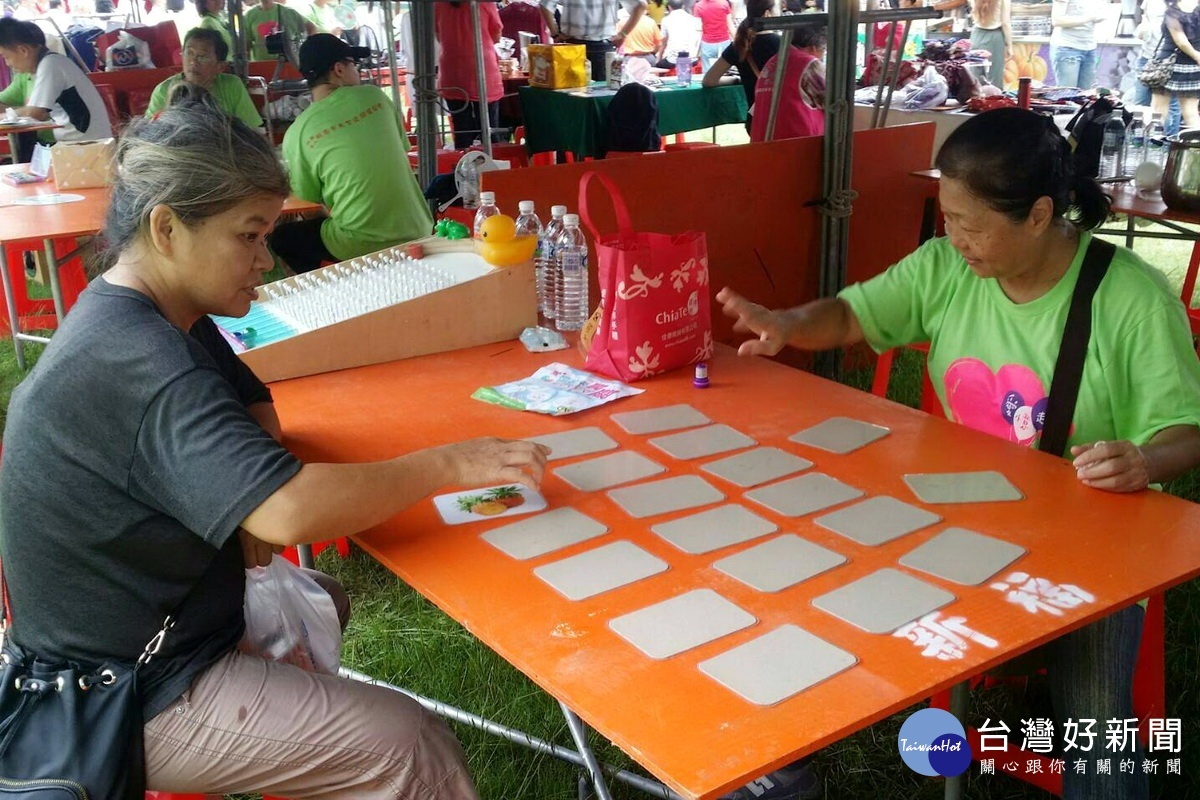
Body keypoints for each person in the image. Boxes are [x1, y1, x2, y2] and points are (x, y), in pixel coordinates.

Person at [0, 97, 550, 800]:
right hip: (123, 688)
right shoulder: (138, 358)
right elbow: (290, 513)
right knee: (406, 744)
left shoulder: (151, 311)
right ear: (167, 227)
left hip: (157, 633)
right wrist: (449, 464)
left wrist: (241, 502)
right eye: (249, 236)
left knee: (323, 598)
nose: (264, 259)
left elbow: (254, 400)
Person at [719, 108, 1200, 800]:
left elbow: (1188, 430)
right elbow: (854, 314)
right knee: (799, 567)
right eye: (947, 216)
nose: (955, 238)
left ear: (1039, 215)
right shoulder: (947, 267)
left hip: (1087, 540)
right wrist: (787, 324)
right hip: (949, 513)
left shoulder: (1130, 298)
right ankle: (775, 761)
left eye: (971, 223)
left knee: (1095, 714)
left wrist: (1145, 463)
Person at [270, 34, 432, 273]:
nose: (357, 71)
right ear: (339, 69)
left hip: (359, 242)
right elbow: (400, 150)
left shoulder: (298, 132)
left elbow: (309, 197)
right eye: (353, 65)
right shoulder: (375, 97)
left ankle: (330, 292)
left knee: (282, 238)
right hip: (420, 228)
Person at [0, 16, 111, 142]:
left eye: (6, 57)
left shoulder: (51, 64)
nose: (7, 63)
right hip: (80, 142)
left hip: (86, 144)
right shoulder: (50, 63)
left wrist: (6, 116)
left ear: (23, 50)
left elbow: (34, 113)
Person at [145, 27, 263, 128]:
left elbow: (251, 131)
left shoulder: (232, 85)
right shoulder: (164, 90)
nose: (193, 62)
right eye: (189, 53)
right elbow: (149, 136)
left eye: (203, 57)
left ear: (220, 66)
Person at [436, 0, 504, 150]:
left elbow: (438, 35)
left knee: (462, 130)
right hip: (482, 70)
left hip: (452, 71)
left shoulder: (438, 5)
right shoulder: (485, 3)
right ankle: (492, 168)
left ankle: (463, 168)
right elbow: (496, 35)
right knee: (489, 130)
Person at [702, 0, 778, 134]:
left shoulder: (740, 46)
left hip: (756, 118)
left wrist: (736, 79)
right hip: (781, 115)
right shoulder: (783, 44)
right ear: (767, 14)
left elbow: (709, 80)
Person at [747, 23, 825, 142]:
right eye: (824, 50)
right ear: (814, 47)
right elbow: (832, 102)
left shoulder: (772, 62)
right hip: (795, 146)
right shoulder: (810, 64)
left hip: (762, 146)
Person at [540, 0, 648, 81]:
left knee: (569, 93)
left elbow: (545, 5)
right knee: (602, 92)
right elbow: (641, 5)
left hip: (571, 47)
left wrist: (555, 33)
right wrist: (623, 34)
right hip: (603, 48)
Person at [1151, 0, 1200, 129]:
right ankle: (1195, 146)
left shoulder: (1172, 12)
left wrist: (1197, 56)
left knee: (1159, 111)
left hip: (1167, 65)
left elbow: (1180, 40)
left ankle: (1155, 145)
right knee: (1191, 113)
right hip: (1192, 67)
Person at [1136, 0, 1182, 134]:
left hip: (1171, 60)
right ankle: (1138, 142)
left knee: (1170, 106)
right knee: (1140, 105)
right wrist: (1143, 29)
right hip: (1147, 56)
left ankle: (1167, 146)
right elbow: (1145, 19)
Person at [1050, 0, 1106, 89]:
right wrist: (1088, 18)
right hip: (1067, 47)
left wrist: (1100, 16)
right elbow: (1057, 20)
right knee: (1067, 94)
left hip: (1090, 47)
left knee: (1086, 95)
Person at [244, 0, 316, 62]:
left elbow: (311, 27)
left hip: (289, 62)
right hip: (262, 64)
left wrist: (307, 50)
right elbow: (246, 43)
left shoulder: (288, 12)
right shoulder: (249, 15)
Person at [969, 0, 1012, 88]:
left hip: (976, 35)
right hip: (995, 36)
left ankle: (976, 98)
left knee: (975, 73)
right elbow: (1005, 23)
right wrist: (1009, 45)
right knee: (994, 76)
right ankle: (994, 99)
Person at [657, 0, 701, 69]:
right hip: (692, 60)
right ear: (683, 6)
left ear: (669, 7)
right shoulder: (693, 19)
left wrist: (658, 59)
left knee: (659, 64)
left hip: (672, 61)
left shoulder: (666, 20)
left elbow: (663, 43)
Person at [693, 0, 734, 72]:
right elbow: (730, 26)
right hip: (724, 42)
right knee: (727, 70)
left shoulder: (698, 6)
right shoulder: (724, 3)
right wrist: (738, 42)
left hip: (707, 44)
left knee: (707, 72)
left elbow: (698, 30)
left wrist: (694, 51)